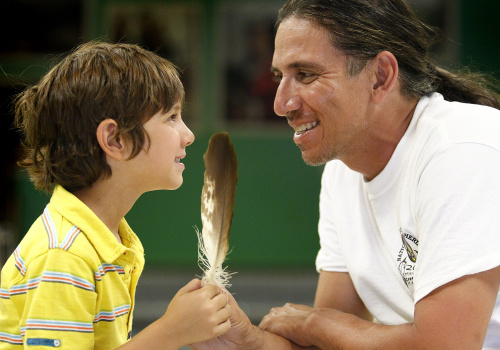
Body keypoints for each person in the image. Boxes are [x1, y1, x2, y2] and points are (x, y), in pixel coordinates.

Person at [192, 0, 500, 349]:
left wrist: (314, 321)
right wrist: (248, 341)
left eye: (305, 75)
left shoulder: (463, 147)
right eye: (280, 77)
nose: (281, 104)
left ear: (380, 77)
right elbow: (329, 343)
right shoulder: (342, 171)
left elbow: (446, 345)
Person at [0, 42, 231, 349]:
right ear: (115, 139)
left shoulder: (109, 240)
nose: (188, 135)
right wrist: (169, 332)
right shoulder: (64, 255)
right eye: (172, 117)